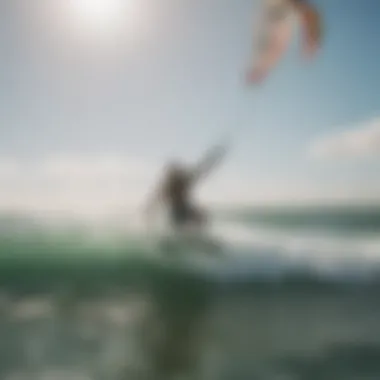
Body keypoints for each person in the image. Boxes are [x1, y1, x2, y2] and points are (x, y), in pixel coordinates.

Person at [145, 144, 227, 232]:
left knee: (201, 218)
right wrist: (149, 216)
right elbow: (154, 202)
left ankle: (199, 233)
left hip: (185, 208)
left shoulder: (184, 179)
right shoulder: (166, 187)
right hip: (177, 212)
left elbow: (202, 168)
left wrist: (214, 157)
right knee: (185, 223)